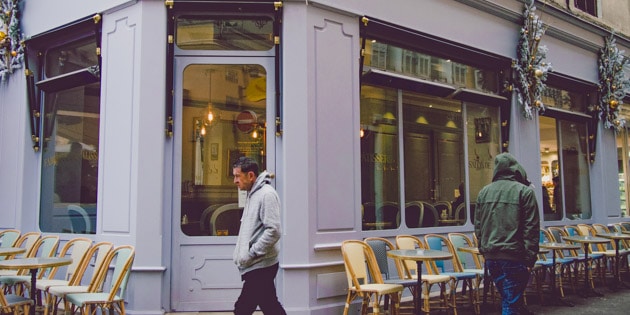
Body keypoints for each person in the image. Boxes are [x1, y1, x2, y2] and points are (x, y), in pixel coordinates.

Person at [474, 153, 540, 315]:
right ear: (516, 171)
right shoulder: (524, 192)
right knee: (511, 303)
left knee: (509, 299)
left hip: (492, 257)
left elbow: (479, 226)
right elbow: (531, 228)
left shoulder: (484, 192)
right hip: (514, 256)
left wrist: (484, 250)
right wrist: (530, 258)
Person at [232, 156, 287, 315]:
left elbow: (274, 230)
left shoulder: (266, 195)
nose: (235, 180)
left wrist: (252, 252)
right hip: (258, 263)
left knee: (242, 308)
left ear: (250, 175)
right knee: (270, 305)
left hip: (261, 264)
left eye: (237, 176)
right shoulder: (252, 193)